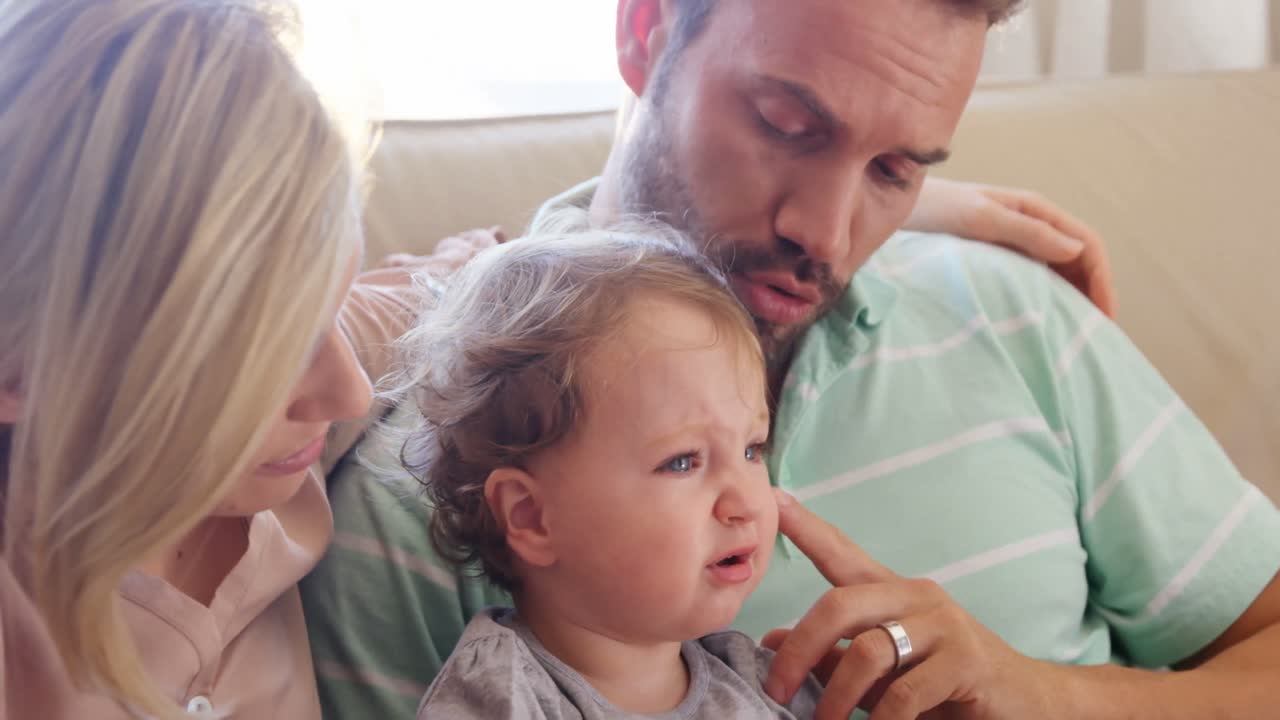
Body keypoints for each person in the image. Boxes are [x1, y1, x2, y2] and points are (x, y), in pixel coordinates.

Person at [306, 0, 1280, 718]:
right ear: (644, 30)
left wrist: (1041, 694)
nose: (825, 232)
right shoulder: (433, 470)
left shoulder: (1008, 312)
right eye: (785, 126)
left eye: (895, 171)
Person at [0, 0, 488, 717]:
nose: (347, 392)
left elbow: (444, 285)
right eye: (260, 351)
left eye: (326, 306)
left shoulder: (271, 457)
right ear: (19, 369)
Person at [405, 219, 823, 718]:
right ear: (533, 517)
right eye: (683, 462)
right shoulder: (505, 696)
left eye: (752, 449)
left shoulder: (761, 681)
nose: (743, 503)